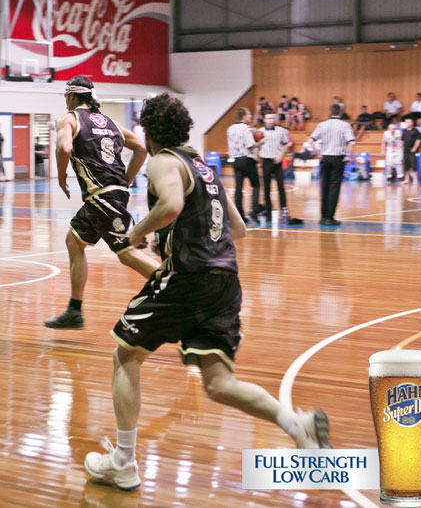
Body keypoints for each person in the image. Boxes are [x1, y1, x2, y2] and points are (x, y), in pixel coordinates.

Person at [83, 93, 330, 491]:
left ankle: (124, 463)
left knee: (126, 355)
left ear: (149, 133)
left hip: (189, 278)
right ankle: (296, 425)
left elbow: (171, 205)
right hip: (225, 282)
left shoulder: (163, 160)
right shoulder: (203, 167)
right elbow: (239, 229)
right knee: (218, 383)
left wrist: (137, 233)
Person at [44, 76, 160, 329]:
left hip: (101, 196)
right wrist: (126, 180)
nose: (65, 101)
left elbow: (64, 148)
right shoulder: (111, 123)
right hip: (107, 195)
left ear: (72, 96)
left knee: (126, 254)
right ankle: (74, 311)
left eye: (65, 97)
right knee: (74, 242)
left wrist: (61, 176)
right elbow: (141, 148)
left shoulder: (69, 119)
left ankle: (177, 288)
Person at [308, 103, 356, 226]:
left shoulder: (322, 125)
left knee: (324, 186)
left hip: (325, 158)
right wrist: (350, 157)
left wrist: (317, 153)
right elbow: (352, 143)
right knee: (334, 188)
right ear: (341, 112)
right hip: (338, 158)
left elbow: (310, 140)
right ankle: (330, 217)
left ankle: (323, 217)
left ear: (329, 112)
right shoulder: (345, 125)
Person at [258, 113, 300, 224]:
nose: (271, 120)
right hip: (266, 161)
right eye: (268, 118)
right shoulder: (259, 132)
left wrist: (281, 155)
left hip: (277, 162)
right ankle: (268, 212)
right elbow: (256, 146)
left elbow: (286, 144)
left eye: (272, 118)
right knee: (266, 189)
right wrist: (258, 160)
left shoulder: (281, 130)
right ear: (264, 119)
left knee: (281, 187)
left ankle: (284, 211)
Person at [227, 107, 265, 224]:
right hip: (247, 160)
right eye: (249, 115)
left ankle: (239, 214)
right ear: (243, 116)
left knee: (238, 188)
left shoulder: (230, 129)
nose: (250, 116)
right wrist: (261, 142)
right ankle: (254, 210)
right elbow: (251, 146)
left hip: (235, 160)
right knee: (256, 185)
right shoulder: (246, 129)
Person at [401, 117, 421, 184]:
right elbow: (402, 140)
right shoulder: (404, 131)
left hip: (412, 151)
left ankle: (415, 180)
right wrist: (402, 148)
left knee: (413, 165)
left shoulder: (415, 131)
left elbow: (418, 140)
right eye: (406, 122)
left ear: (412, 123)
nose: (407, 123)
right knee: (406, 166)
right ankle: (407, 179)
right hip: (405, 151)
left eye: (409, 122)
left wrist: (414, 148)